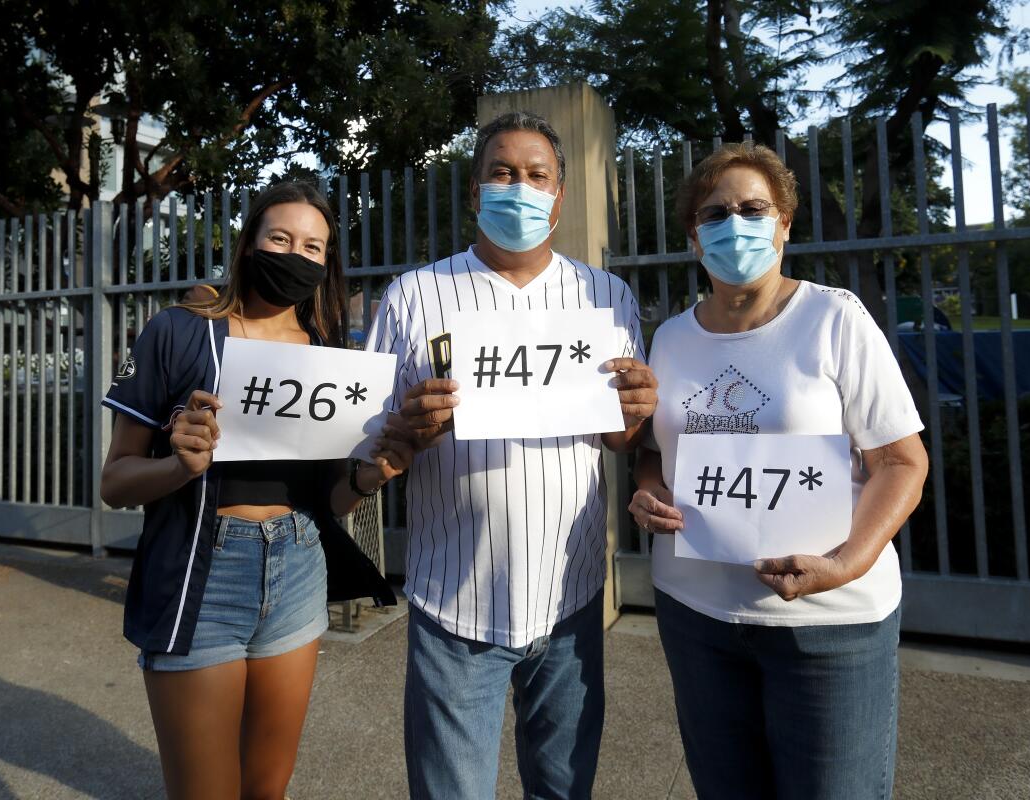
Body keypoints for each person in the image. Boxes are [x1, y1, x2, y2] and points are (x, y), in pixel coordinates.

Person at [365, 111, 658, 800]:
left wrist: (637, 414)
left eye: (536, 175)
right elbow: (372, 434)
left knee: (562, 789)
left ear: (559, 196)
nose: (518, 188)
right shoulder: (414, 294)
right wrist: (406, 428)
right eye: (501, 172)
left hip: (571, 596)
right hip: (453, 599)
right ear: (474, 193)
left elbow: (619, 436)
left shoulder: (605, 296)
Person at [630, 142, 928, 800]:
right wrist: (647, 491)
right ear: (693, 235)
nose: (734, 224)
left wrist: (848, 561)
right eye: (715, 213)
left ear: (784, 224)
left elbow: (901, 460)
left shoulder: (834, 318)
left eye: (753, 208)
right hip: (696, 615)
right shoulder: (672, 337)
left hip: (829, 626)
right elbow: (657, 448)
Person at [99, 181, 407, 800]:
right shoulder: (178, 332)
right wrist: (179, 468)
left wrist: (371, 475)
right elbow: (115, 482)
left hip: (298, 569)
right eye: (281, 238)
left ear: (326, 265)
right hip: (201, 571)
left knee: (267, 788)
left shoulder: (327, 356)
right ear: (249, 244)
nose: (296, 254)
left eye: (314, 247)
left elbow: (331, 500)